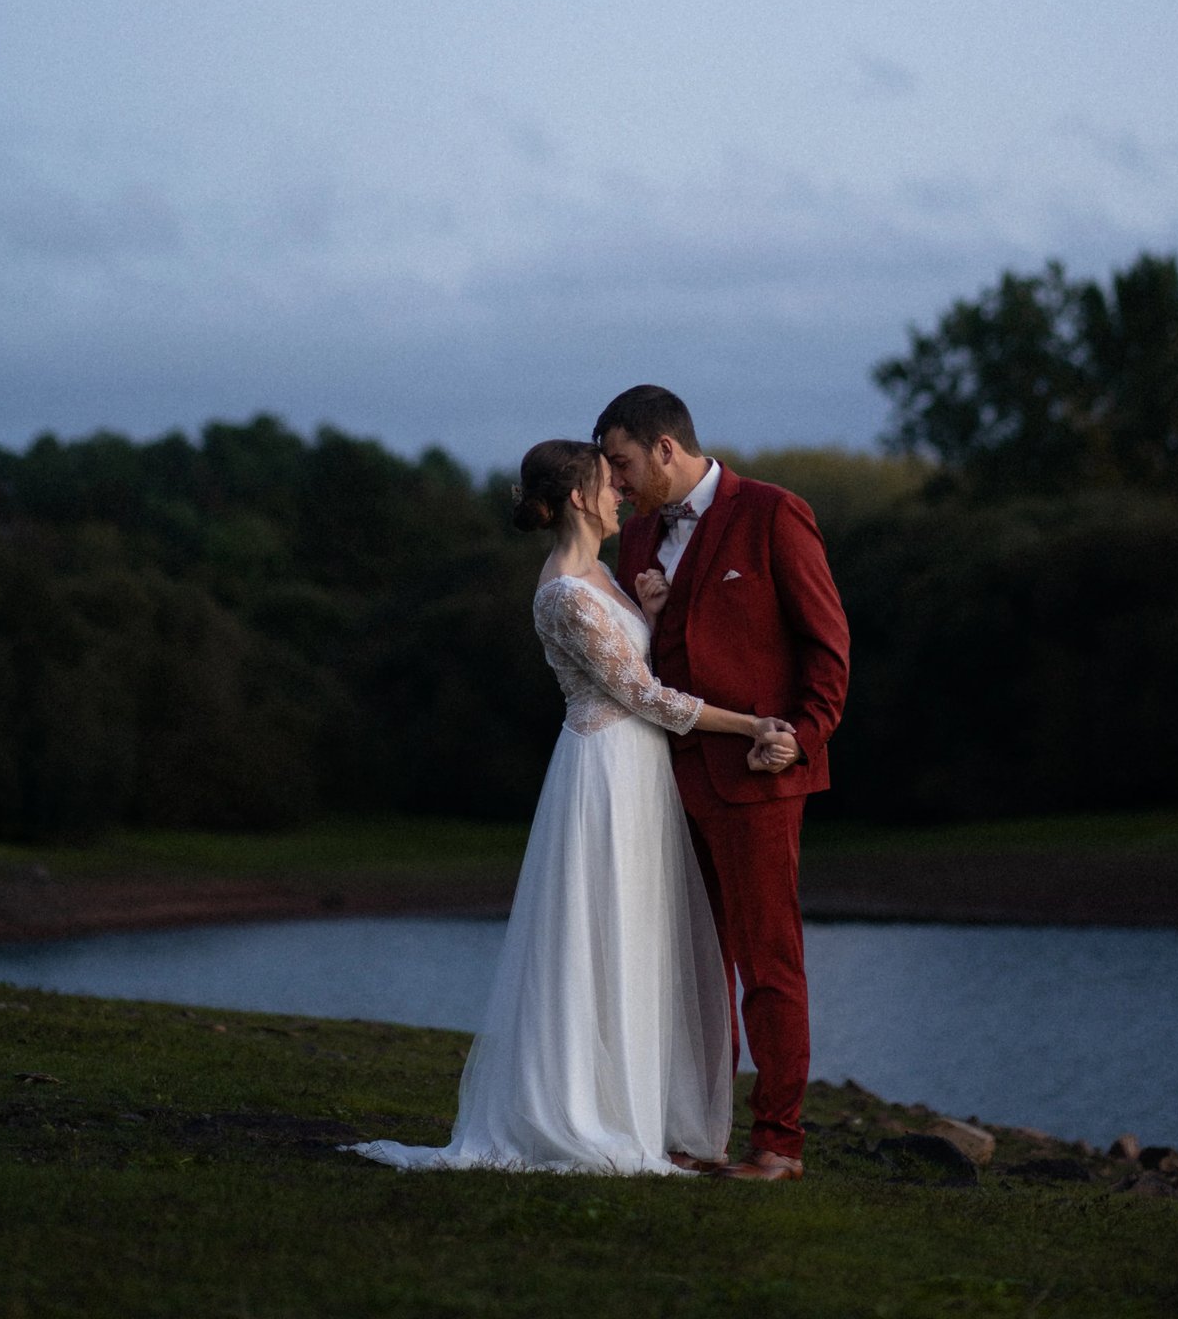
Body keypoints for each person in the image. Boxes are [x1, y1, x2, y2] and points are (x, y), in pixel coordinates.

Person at [346, 438, 798, 1176]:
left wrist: (650, 604)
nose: (622, 492)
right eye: (608, 483)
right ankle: (585, 1111)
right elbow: (645, 697)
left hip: (640, 771)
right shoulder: (562, 591)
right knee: (602, 933)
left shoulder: (605, 576)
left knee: (641, 933)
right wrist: (754, 723)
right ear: (582, 498)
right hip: (606, 773)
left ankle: (640, 1108)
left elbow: (639, 658)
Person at [596, 385, 851, 1183]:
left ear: (666, 448)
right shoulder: (636, 542)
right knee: (691, 968)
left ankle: (779, 1144)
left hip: (757, 780)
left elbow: (828, 648)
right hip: (663, 786)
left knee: (769, 965)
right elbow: (638, 672)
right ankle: (697, 1133)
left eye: (624, 462)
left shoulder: (775, 513)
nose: (617, 481)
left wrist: (803, 737)